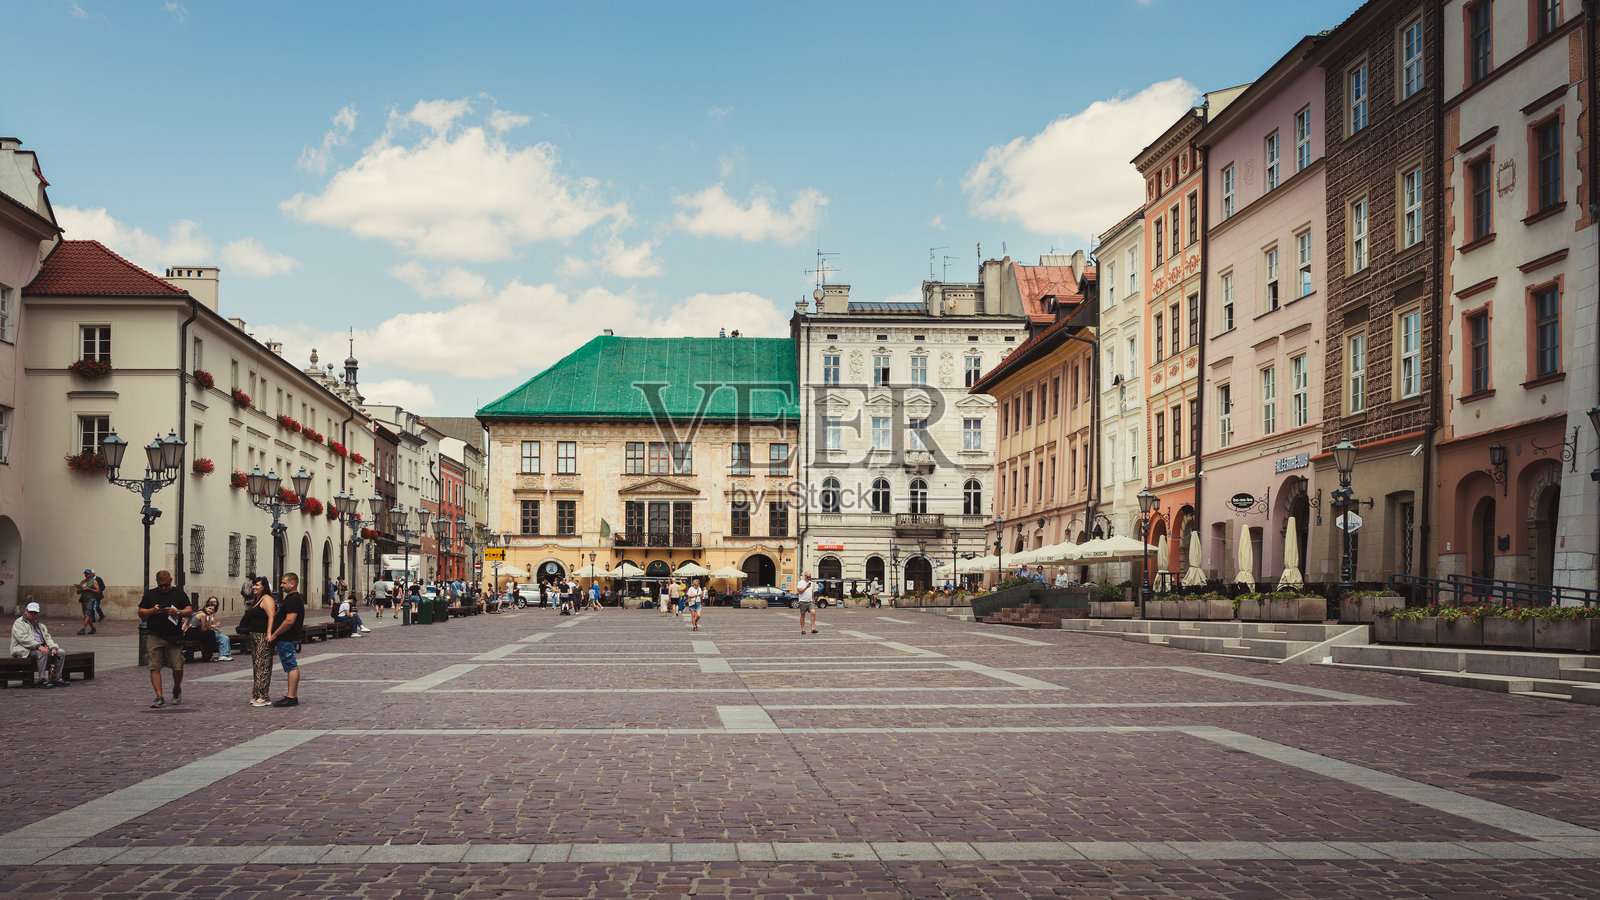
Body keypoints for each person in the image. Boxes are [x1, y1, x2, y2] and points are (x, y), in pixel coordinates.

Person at [138, 569, 192, 708]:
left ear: (170, 581)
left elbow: (189, 610)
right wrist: (152, 610)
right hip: (154, 634)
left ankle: (176, 689)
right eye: (160, 585)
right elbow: (141, 612)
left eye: (166, 585)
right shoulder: (150, 594)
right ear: (157, 583)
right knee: (154, 666)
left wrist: (178, 612)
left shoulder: (178, 593)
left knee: (177, 666)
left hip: (174, 636)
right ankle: (159, 697)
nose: (163, 588)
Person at [268, 573, 306, 707]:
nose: (281, 585)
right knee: (290, 665)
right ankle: (292, 695)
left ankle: (291, 696)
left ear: (293, 584)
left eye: (284, 583)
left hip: (287, 637)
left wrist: (275, 634)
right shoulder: (292, 598)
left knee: (291, 665)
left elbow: (289, 621)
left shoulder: (293, 599)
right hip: (288, 637)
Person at [11, 602, 68, 688]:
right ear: (26, 611)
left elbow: (47, 638)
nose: (33, 615)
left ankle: (56, 678)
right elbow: (23, 639)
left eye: (35, 613)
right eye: (31, 612)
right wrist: (38, 646)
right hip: (24, 649)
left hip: (40, 647)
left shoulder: (40, 625)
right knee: (42, 652)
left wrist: (53, 647)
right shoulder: (19, 623)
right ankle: (42, 679)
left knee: (60, 652)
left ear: (38, 613)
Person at [239, 576, 276, 708]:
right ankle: (257, 694)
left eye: (257, 585)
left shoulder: (267, 599)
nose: (254, 587)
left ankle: (264, 696)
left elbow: (271, 616)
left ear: (264, 587)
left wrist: (269, 633)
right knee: (257, 665)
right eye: (254, 585)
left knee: (263, 665)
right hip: (254, 635)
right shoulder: (257, 599)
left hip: (262, 636)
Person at [75, 570, 100, 635]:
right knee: (87, 616)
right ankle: (93, 628)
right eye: (85, 573)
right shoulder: (82, 582)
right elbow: (78, 592)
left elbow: (98, 590)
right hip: (84, 600)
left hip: (90, 600)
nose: (86, 575)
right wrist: (81, 588)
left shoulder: (94, 581)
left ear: (90, 574)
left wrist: (89, 588)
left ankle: (83, 629)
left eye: (88, 574)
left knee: (87, 615)